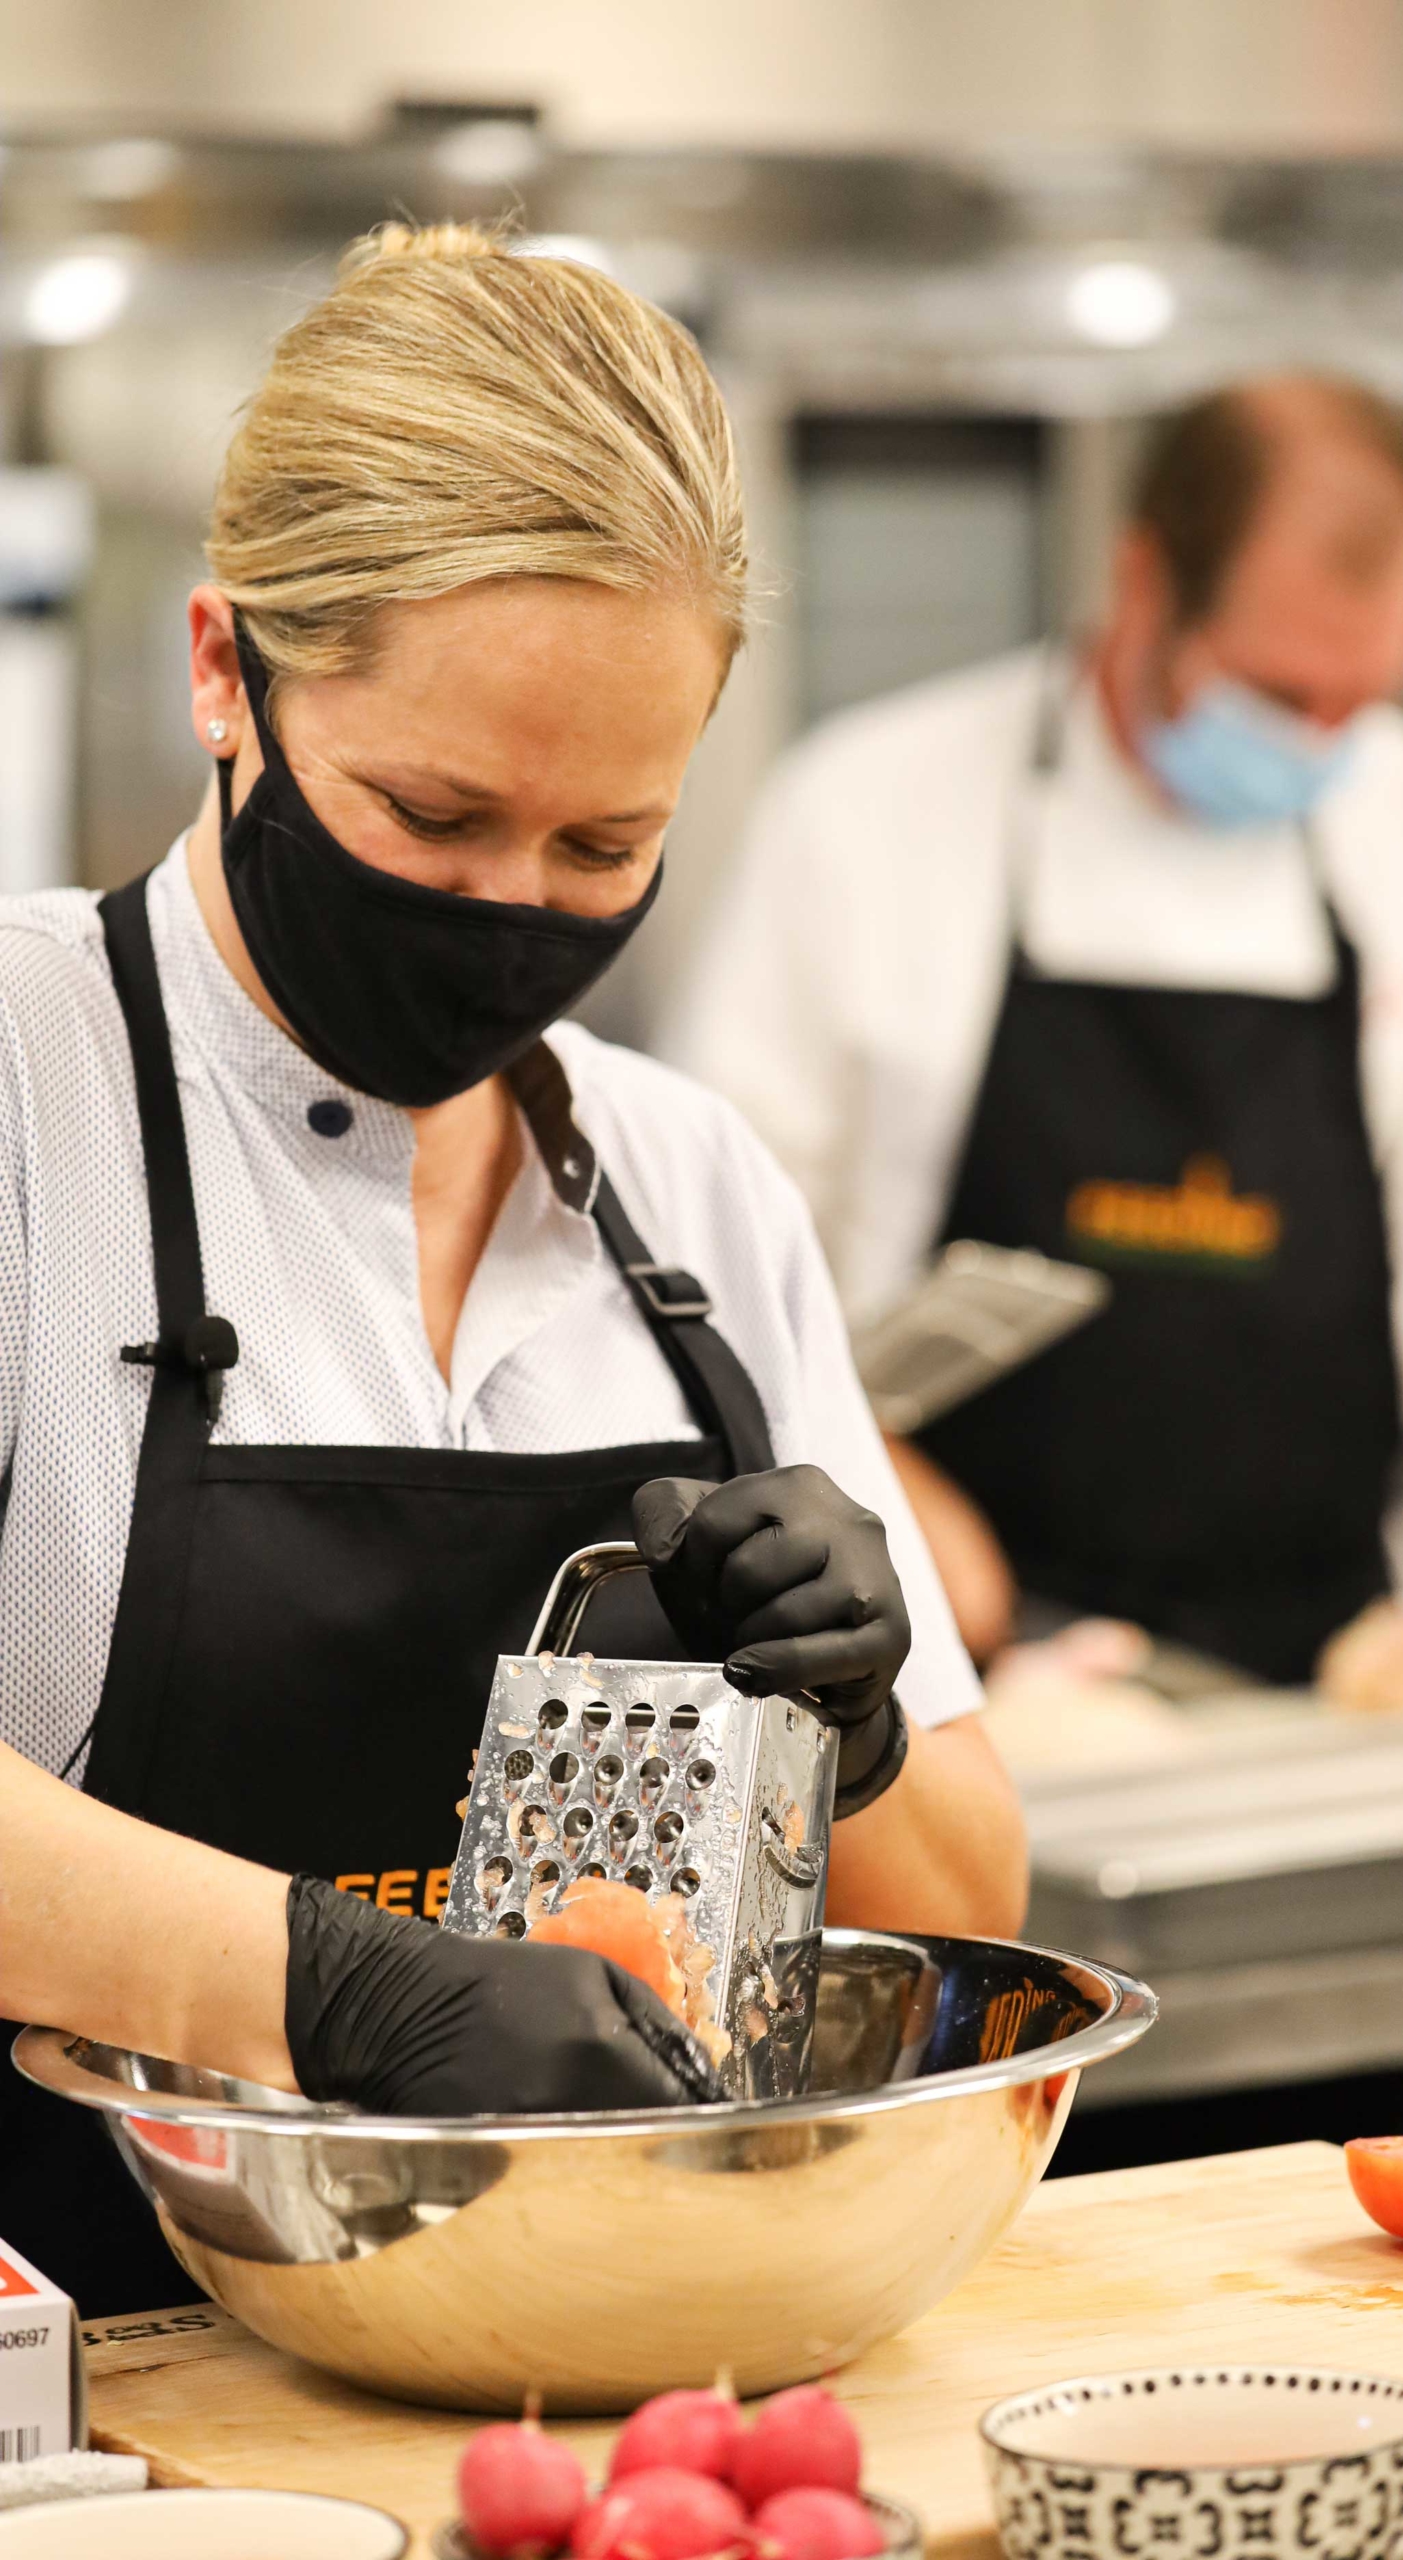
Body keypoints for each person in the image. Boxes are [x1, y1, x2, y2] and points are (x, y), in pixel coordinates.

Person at [0, 224, 1025, 2317]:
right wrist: (338, 1988)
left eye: (598, 848)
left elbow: (969, 1914)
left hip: (580, 2373)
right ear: (225, 672)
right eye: (433, 809)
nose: (505, 914)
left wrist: (860, 1727)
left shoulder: (688, 1182)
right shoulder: (24, 1088)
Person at [664, 373, 1403, 1683]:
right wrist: (856, 1478)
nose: (1323, 740)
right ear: (1144, 582)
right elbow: (688, 1286)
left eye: (1362, 701)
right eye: (1279, 695)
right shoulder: (866, 822)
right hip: (949, 1681)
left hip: (1341, 1681)